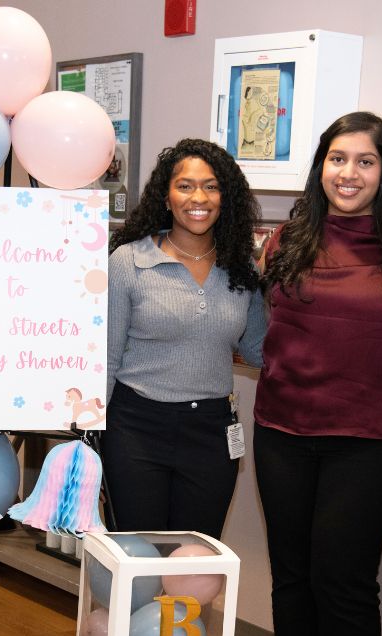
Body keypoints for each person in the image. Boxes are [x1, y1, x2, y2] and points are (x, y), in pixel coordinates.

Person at [252, 112, 382, 636]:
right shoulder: (286, 241)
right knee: (292, 572)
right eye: (337, 159)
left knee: (345, 579)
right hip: (283, 430)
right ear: (321, 166)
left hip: (370, 439)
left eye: (365, 161)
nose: (349, 173)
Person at [102, 138, 266, 539]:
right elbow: (105, 360)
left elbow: (260, 351)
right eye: (186, 185)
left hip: (211, 433)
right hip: (134, 429)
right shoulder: (129, 261)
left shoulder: (242, 268)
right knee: (138, 559)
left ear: (226, 198)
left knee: (194, 562)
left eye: (212, 186)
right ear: (166, 194)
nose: (199, 198)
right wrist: (89, 437)